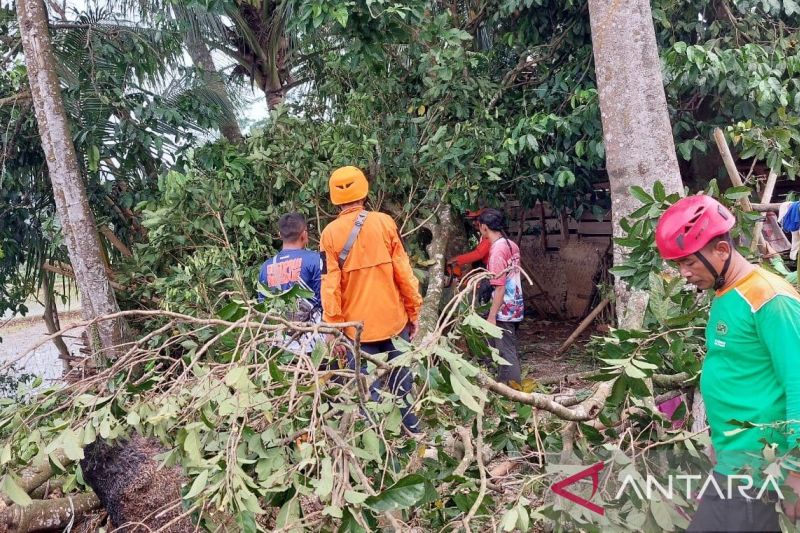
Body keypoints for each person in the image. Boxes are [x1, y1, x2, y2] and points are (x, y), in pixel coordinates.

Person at [655, 194, 800, 532]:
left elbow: (798, 383)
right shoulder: (727, 293)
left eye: (689, 262)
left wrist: (795, 470)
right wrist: (721, 447)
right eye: (678, 264)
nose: (684, 273)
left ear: (721, 250)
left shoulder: (769, 299)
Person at [319, 166, 423, 433]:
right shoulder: (385, 223)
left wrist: (334, 329)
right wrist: (415, 312)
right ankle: (417, 439)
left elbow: (330, 286)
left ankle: (376, 450)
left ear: (334, 197)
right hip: (394, 324)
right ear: (364, 190)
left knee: (368, 397)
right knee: (404, 389)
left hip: (357, 332)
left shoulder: (329, 234)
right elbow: (404, 273)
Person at [258, 212, 323, 353]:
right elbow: (326, 300)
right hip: (314, 344)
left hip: (281, 347)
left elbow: (263, 309)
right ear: (304, 234)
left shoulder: (266, 267)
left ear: (280, 235)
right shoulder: (316, 260)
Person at [477, 208, 523, 385]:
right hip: (515, 304)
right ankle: (501, 384)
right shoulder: (511, 244)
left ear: (484, 227)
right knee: (500, 347)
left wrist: (491, 315)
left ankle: (512, 392)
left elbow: (500, 287)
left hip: (503, 307)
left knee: (506, 351)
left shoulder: (497, 251)